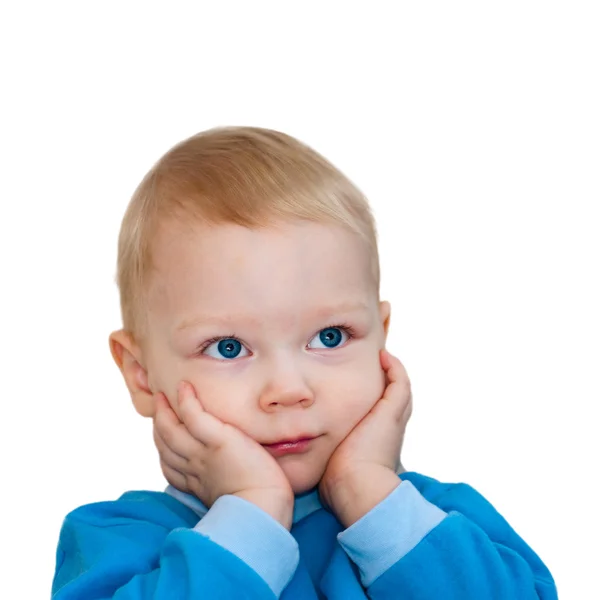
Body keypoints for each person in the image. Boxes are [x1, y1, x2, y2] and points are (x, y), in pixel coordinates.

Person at [52, 126, 557, 599]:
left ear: (381, 336)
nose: (290, 388)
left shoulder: (436, 522)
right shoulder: (116, 541)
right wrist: (252, 507)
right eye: (229, 347)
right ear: (140, 375)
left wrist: (365, 489)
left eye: (330, 337)